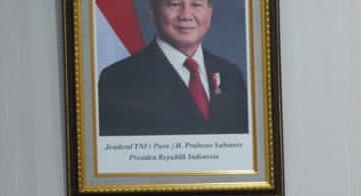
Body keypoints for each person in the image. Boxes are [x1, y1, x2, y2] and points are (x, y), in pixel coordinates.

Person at [97, 0, 250, 136]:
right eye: (174, 4)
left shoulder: (231, 75)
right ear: (153, 11)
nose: (186, 16)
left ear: (209, 13)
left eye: (196, 4)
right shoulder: (119, 80)